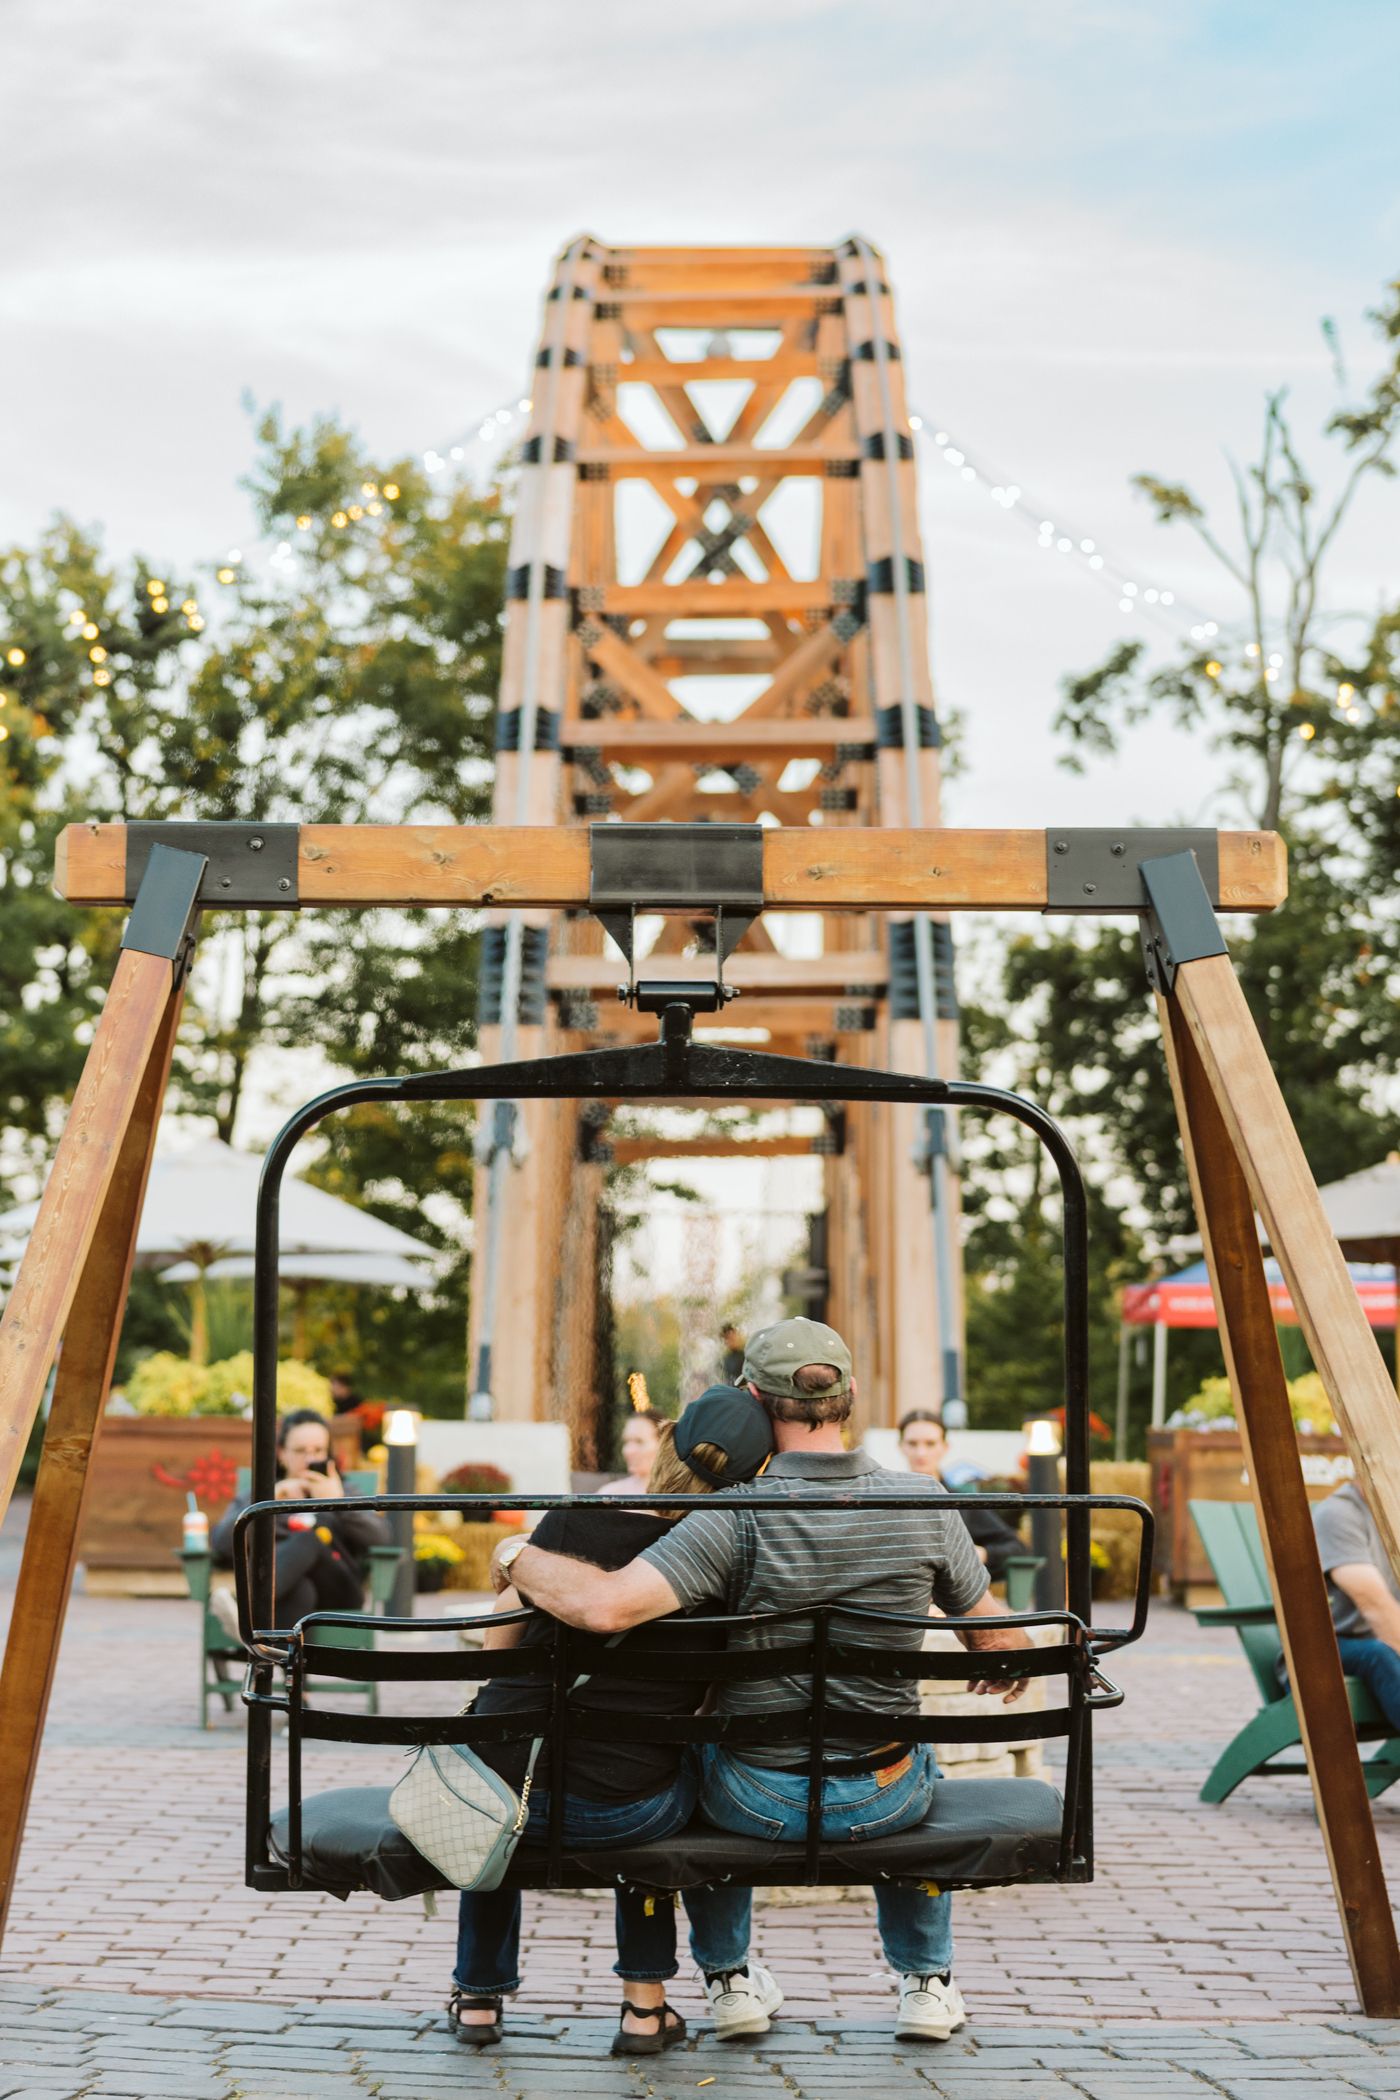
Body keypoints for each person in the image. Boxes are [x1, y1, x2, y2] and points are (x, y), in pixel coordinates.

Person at [491, 1317, 1031, 2045]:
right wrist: (1001, 1659)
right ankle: (927, 1983)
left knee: (698, 1753)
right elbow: (1003, 1644)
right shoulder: (924, 1500)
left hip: (755, 1799)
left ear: (752, 1399)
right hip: (886, 1795)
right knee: (911, 1746)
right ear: (849, 1397)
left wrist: (515, 1554)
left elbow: (601, 1606)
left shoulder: (729, 1518)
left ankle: (729, 1978)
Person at [451, 1386, 775, 2057]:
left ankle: (479, 1998)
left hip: (502, 1796)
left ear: (661, 1458)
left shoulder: (567, 1526)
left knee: (503, 1784)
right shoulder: (725, 1562)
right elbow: (711, 1702)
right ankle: (643, 2009)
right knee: (661, 1778)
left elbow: (497, 1655)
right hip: (624, 1813)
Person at [208, 1408, 389, 1638]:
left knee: (307, 1538)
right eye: (301, 1450)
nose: (311, 1459)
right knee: (301, 1591)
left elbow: (380, 1536)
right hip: (287, 1594)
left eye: (319, 1450)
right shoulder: (262, 1494)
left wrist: (340, 1502)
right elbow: (223, 1543)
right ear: (282, 1453)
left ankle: (245, 1614)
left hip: (339, 1589)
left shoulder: (344, 1490)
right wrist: (267, 1504)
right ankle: (291, 1673)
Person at [1308, 1478, 1400, 1727]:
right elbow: (1373, 1604)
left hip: (1385, 1646)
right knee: (1379, 1653)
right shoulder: (1339, 1514)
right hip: (1330, 1649)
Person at [898, 1409, 1026, 1580]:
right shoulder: (887, 1498)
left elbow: (1015, 1547)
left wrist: (981, 1553)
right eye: (913, 1443)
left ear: (945, 1447)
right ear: (901, 1446)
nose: (921, 1453)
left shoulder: (961, 1502)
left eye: (930, 1444)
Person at [597, 1407, 665, 1496]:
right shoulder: (609, 1494)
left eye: (639, 1441)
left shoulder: (680, 1495)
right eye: (626, 1442)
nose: (627, 1451)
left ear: (662, 1444)